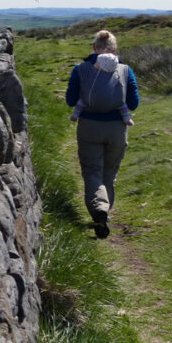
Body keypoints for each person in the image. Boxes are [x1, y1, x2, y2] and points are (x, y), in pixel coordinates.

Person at [65, 30, 140, 238]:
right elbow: (134, 103)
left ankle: (99, 210)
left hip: (89, 125)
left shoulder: (80, 69)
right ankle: (104, 213)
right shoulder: (125, 70)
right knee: (110, 171)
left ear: (94, 48)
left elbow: (71, 100)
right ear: (114, 49)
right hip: (117, 127)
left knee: (92, 171)